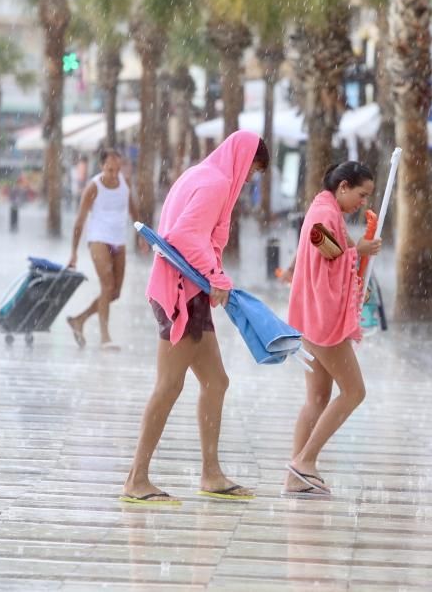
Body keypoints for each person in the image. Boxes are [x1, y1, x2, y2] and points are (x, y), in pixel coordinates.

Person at [121, 130, 269, 505]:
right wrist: (217, 275)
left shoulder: (198, 174)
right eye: (253, 169)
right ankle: (136, 479)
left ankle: (211, 474)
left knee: (216, 381)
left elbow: (190, 234)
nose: (250, 178)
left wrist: (211, 278)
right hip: (180, 296)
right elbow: (184, 235)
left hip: (188, 292)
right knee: (169, 385)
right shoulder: (217, 182)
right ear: (243, 158)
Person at [283, 162, 381, 497]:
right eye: (361, 194)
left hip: (310, 315)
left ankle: (295, 476)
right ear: (343, 186)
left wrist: (355, 279)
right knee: (354, 392)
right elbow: (328, 256)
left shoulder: (323, 210)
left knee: (318, 397)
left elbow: (328, 261)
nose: (362, 202)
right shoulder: (324, 216)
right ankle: (305, 461)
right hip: (323, 319)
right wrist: (358, 252)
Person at [66, 150, 138, 350]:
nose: (114, 174)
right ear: (101, 167)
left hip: (119, 240)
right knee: (107, 286)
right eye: (109, 170)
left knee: (115, 293)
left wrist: (142, 236)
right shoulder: (93, 187)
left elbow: (133, 210)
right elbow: (79, 221)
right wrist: (74, 252)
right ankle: (105, 338)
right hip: (98, 239)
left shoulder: (125, 183)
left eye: (117, 169)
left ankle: (79, 320)